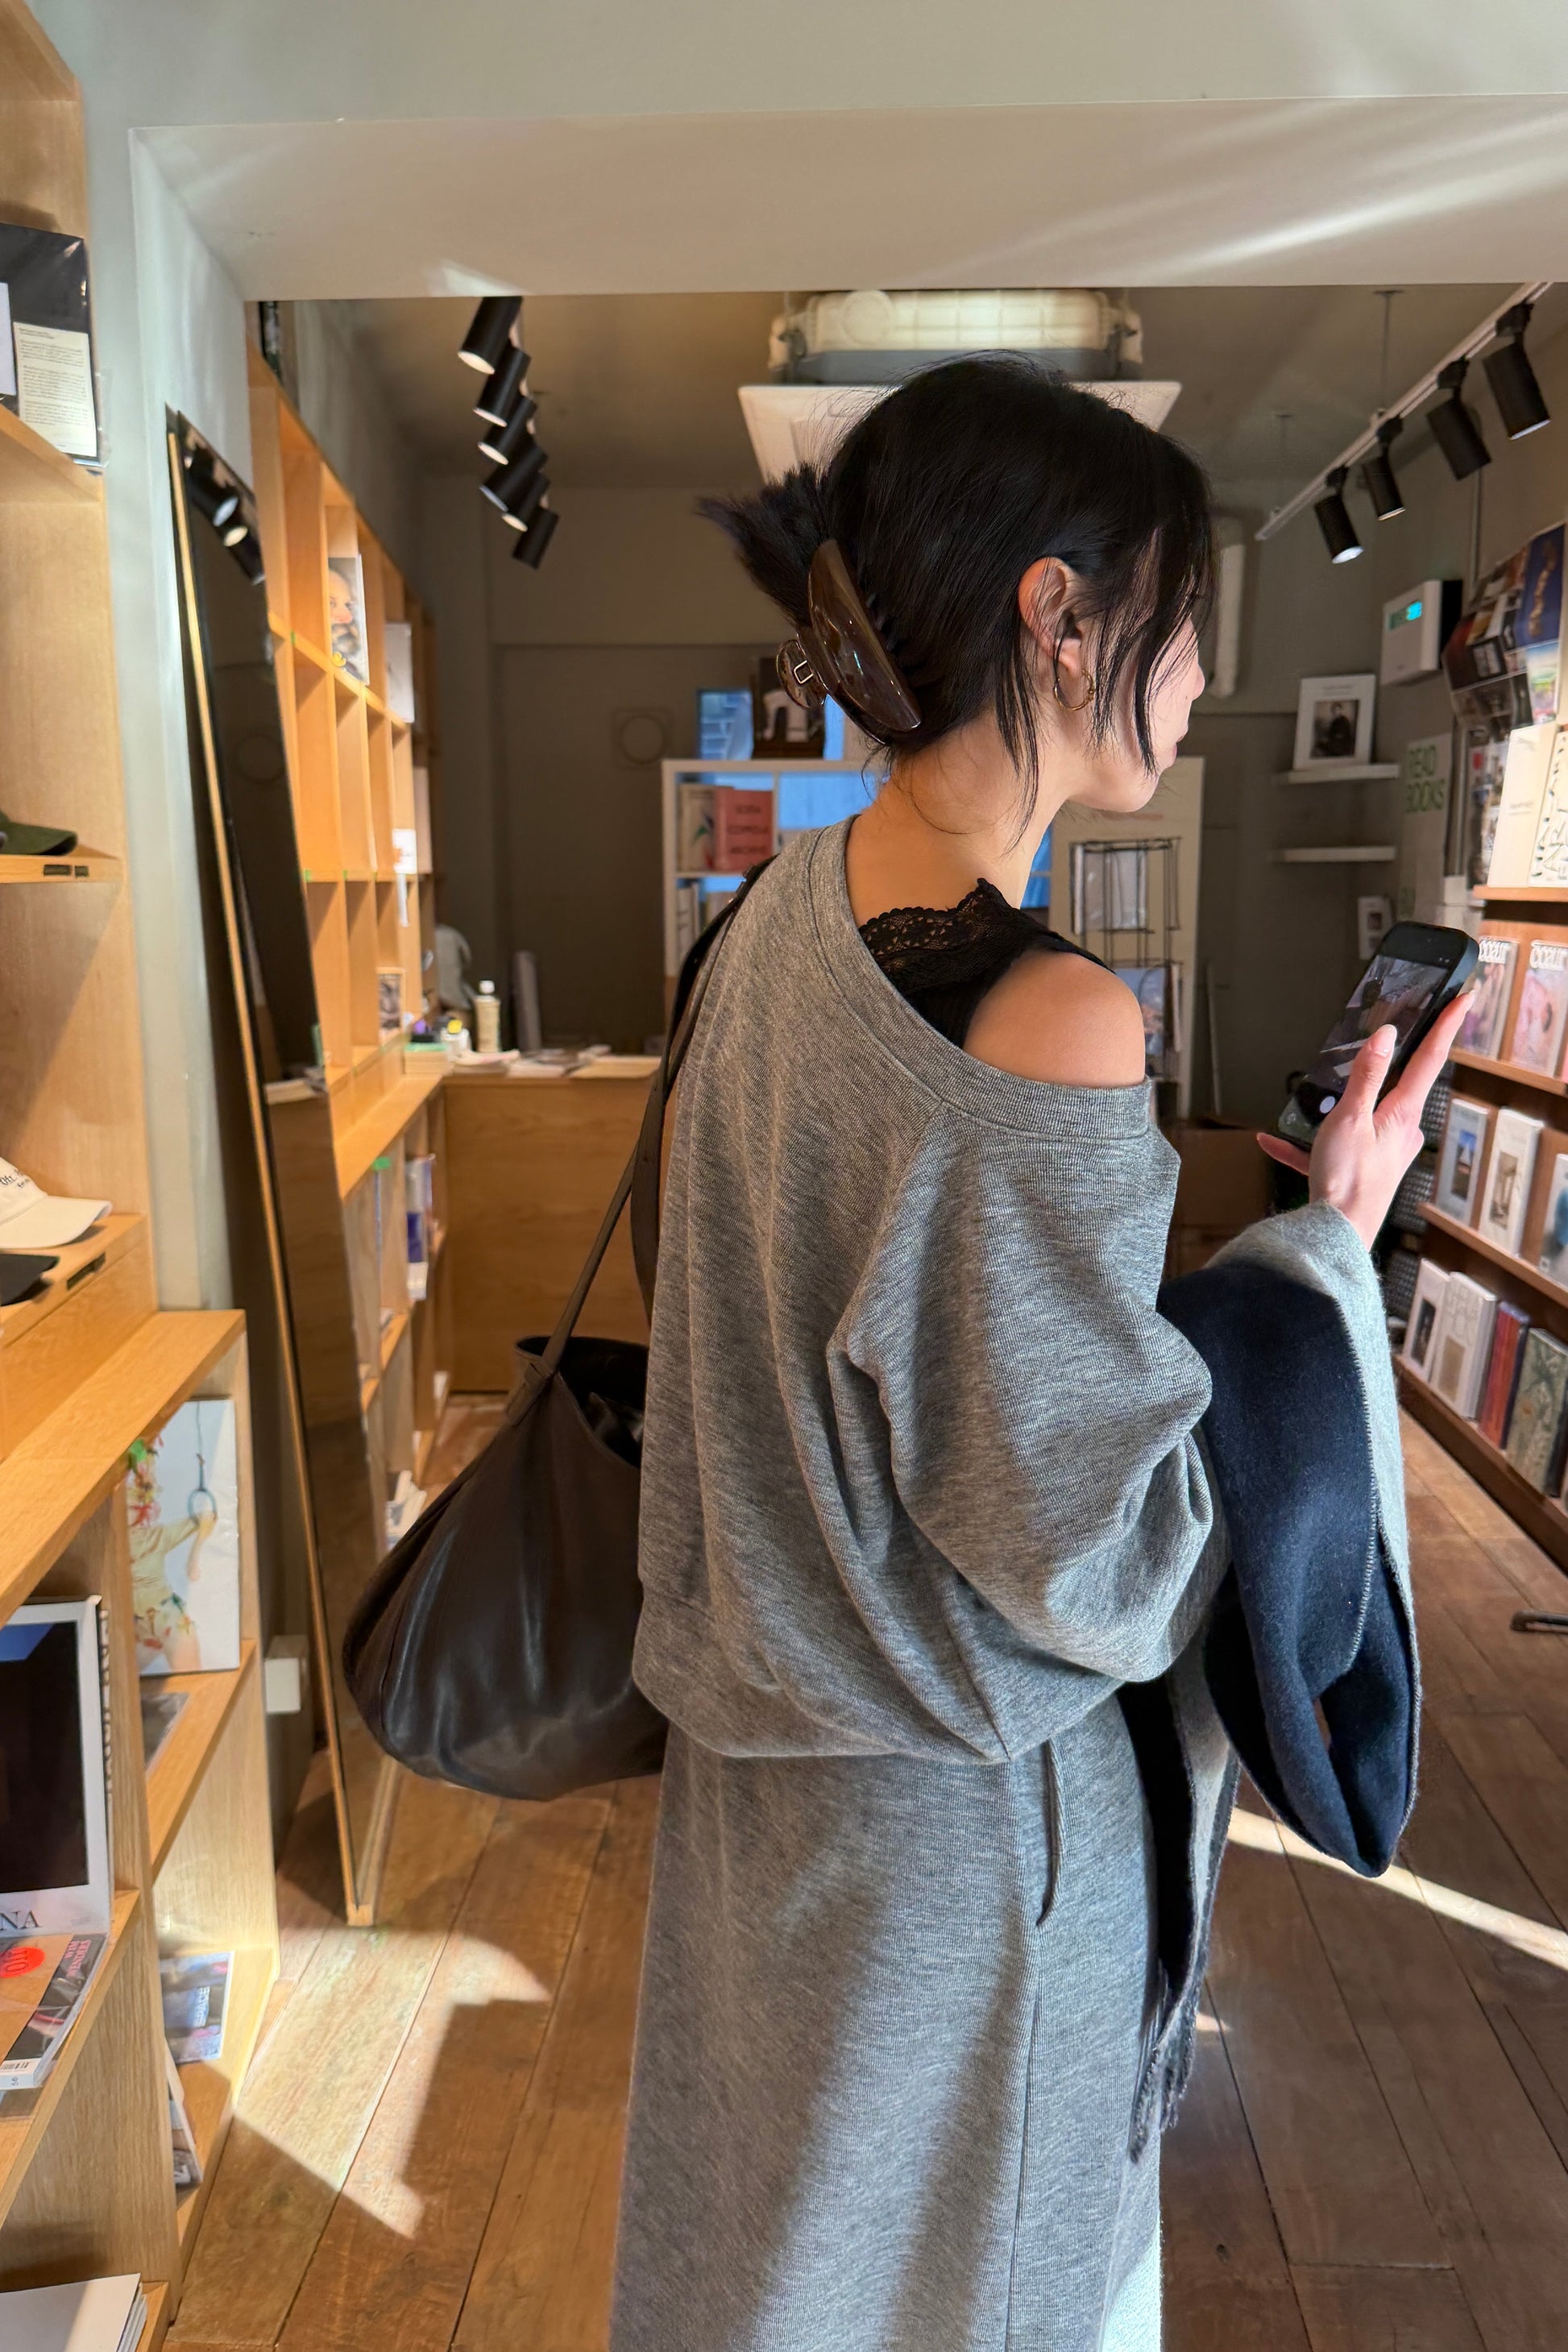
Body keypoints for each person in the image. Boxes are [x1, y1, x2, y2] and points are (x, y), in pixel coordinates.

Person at [611, 359, 1466, 2352]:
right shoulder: (1049, 1016)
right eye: (1182, 615)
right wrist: (1324, 1251)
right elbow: (1107, 1561)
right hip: (965, 1843)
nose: (1203, 674)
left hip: (761, 1806)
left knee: (781, 2279)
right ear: (1058, 614)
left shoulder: (765, 922)